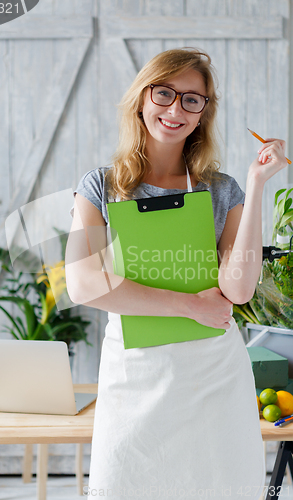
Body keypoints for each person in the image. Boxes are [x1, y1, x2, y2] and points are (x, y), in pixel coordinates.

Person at [65, 48, 287, 499]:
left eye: (192, 99)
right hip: (135, 374)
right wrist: (190, 305)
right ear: (141, 98)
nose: (175, 109)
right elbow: (84, 283)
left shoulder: (223, 189)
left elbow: (237, 288)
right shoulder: (101, 187)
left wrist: (259, 184)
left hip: (213, 376)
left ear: (204, 113)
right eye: (164, 93)